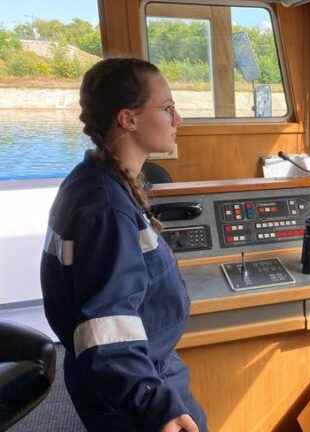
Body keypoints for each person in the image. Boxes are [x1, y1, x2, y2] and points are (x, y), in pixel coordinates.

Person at [40, 58, 207, 432]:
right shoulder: (106, 207)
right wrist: (155, 404)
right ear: (128, 119)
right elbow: (107, 325)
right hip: (132, 388)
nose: (177, 119)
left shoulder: (92, 179)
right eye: (167, 108)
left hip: (125, 375)